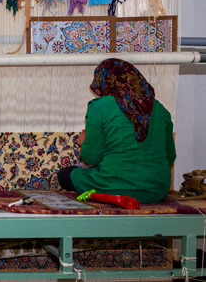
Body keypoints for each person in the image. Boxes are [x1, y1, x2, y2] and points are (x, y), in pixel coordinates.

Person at [57, 58, 175, 204]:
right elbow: (169, 157)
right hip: (156, 191)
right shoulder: (162, 111)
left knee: (65, 175)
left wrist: (84, 143)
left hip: (111, 187)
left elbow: (92, 158)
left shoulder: (99, 107)